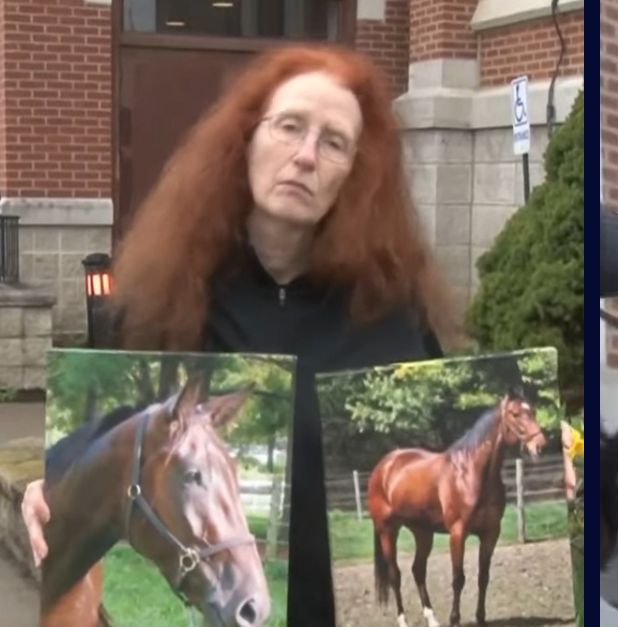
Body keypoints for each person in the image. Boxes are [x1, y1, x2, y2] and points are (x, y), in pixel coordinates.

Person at [21, 44, 454, 625]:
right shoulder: (157, 301)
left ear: (357, 172)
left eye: (334, 142)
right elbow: (108, 448)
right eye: (289, 127)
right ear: (246, 139)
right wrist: (46, 494)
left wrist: (560, 465)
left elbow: (442, 456)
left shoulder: (395, 314)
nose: (305, 156)